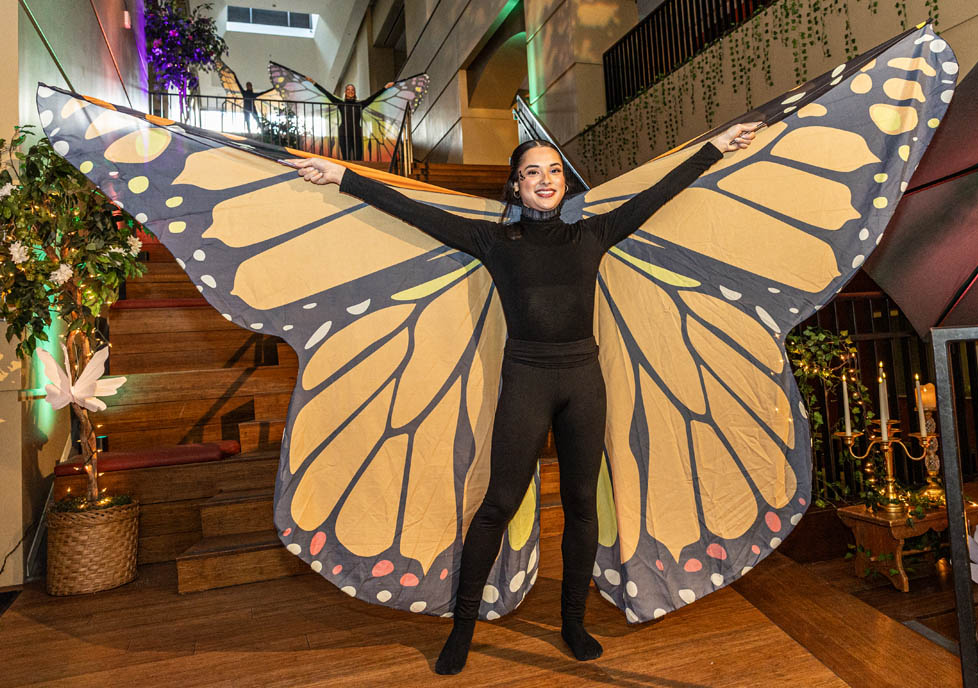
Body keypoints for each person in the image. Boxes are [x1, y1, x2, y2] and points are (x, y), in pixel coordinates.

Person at [285, 120, 761, 674]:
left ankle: (572, 623)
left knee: (583, 505)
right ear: (514, 185)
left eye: (554, 170)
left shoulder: (592, 235)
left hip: (584, 381)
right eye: (532, 172)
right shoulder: (495, 241)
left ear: (564, 182)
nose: (545, 179)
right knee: (498, 503)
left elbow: (659, 194)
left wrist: (715, 147)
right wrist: (341, 175)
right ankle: (462, 627)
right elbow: (416, 212)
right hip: (528, 380)